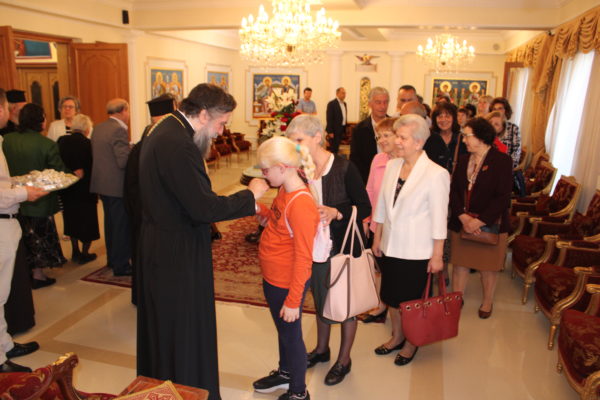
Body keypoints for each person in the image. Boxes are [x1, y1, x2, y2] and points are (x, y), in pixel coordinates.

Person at [137, 83, 269, 399]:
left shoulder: (165, 129)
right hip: (177, 249)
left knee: (166, 328)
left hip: (160, 240)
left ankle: (166, 387)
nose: (221, 132)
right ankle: (186, 390)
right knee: (183, 326)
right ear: (205, 114)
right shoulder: (179, 144)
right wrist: (249, 196)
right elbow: (203, 208)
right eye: (222, 123)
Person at [286, 115, 371, 386]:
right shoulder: (302, 169)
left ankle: (344, 359)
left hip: (343, 246)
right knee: (321, 298)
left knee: (345, 304)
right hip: (314, 247)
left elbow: (365, 207)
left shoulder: (345, 168)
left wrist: (337, 212)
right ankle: (322, 349)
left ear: (317, 137)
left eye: (299, 140)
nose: (295, 146)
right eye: (291, 141)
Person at [371, 114, 450, 366]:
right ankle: (396, 336)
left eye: (402, 137)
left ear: (418, 142)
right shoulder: (393, 166)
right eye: (396, 136)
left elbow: (439, 219)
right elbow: (382, 206)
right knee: (392, 297)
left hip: (417, 251)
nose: (397, 141)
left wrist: (437, 255)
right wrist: (377, 237)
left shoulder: (436, 174)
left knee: (412, 302)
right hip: (390, 245)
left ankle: (411, 342)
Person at [252, 137, 319, 400]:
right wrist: (260, 210)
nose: (263, 174)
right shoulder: (284, 190)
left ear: (283, 168)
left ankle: (299, 391)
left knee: (291, 337)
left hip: (286, 282)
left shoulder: (301, 203)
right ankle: (286, 372)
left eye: (266, 170)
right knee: (283, 331)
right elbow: (277, 220)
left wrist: (293, 301)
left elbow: (304, 258)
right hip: (273, 278)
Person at [0, 89, 46, 373]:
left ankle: (4, 344)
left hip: (7, 220)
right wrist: (24, 193)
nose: (10, 113)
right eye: (8, 107)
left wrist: (19, 182)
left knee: (2, 293)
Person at [448, 117, 513, 319]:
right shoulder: (464, 160)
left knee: (488, 267)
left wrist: (479, 221)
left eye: (467, 136)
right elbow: (454, 191)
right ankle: (457, 297)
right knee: (460, 264)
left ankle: (487, 301)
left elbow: (503, 197)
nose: (464, 140)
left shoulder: (502, 161)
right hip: (462, 222)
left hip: (490, 224)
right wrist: (463, 217)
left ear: (481, 137)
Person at [3, 103, 71, 289]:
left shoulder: (7, 140)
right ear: (40, 121)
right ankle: (38, 274)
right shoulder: (46, 144)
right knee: (38, 238)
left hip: (11, 199)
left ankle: (23, 273)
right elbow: (59, 172)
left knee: (22, 237)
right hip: (39, 200)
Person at [124, 94, 177, 305]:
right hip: (150, 212)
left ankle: (143, 296)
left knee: (142, 254)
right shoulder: (158, 144)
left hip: (140, 210)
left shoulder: (144, 142)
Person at [358, 117, 399, 324]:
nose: (381, 140)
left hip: (396, 228)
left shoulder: (404, 162)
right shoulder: (378, 159)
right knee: (378, 267)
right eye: (379, 136)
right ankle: (381, 305)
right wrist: (366, 219)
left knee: (392, 271)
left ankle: (393, 307)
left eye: (386, 135)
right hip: (376, 223)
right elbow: (369, 190)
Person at [90, 98, 132, 277]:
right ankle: (121, 265)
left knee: (111, 224)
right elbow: (123, 161)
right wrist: (134, 151)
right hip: (116, 185)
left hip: (102, 183)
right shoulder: (118, 130)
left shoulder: (99, 127)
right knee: (121, 225)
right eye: (128, 110)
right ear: (123, 111)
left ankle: (112, 259)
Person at [57, 114, 99, 265]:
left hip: (68, 189)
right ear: (87, 129)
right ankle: (85, 253)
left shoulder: (62, 141)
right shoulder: (89, 144)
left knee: (71, 220)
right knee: (88, 223)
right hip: (86, 190)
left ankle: (75, 251)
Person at [350, 87, 390, 183]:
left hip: (391, 176)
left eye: (385, 102)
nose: (382, 106)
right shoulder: (359, 129)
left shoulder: (395, 125)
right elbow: (355, 159)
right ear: (370, 104)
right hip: (368, 178)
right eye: (378, 102)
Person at [424, 102, 467, 174]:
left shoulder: (462, 139)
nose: (443, 120)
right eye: (440, 116)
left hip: (455, 179)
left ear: (454, 118)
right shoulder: (429, 138)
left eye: (447, 116)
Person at [490, 97, 522, 169]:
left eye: (500, 108)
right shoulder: (488, 127)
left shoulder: (513, 128)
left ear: (506, 111)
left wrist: (505, 167)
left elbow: (516, 154)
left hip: (507, 167)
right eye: (494, 109)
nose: (497, 111)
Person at [325, 87, 347, 154]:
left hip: (341, 128)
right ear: (337, 94)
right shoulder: (331, 104)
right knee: (333, 148)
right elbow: (329, 118)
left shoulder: (344, 104)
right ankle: (332, 159)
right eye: (342, 93)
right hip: (334, 130)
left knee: (337, 147)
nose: (344, 95)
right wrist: (330, 131)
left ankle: (335, 158)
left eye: (345, 93)